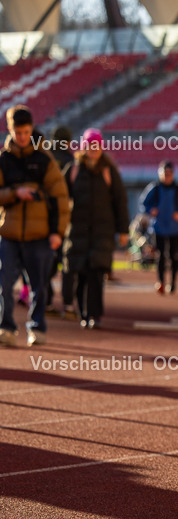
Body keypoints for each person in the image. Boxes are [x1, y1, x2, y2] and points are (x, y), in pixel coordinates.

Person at [0, 105, 70, 347]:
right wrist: (14, 193)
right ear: (11, 130)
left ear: (31, 130)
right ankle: (6, 327)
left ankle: (37, 328)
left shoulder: (44, 160)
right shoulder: (3, 159)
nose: (22, 137)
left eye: (26, 132)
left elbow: (60, 198)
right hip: (9, 233)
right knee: (4, 282)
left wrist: (57, 232)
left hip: (39, 235)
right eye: (18, 132)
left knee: (38, 285)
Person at [62, 128, 129, 329]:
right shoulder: (73, 170)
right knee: (80, 274)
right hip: (78, 231)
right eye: (90, 145)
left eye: (97, 146)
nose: (93, 149)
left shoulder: (109, 171)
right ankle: (83, 313)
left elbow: (120, 201)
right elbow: (60, 197)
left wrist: (123, 230)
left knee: (96, 274)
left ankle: (95, 315)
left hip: (102, 231)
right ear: (84, 147)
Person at [140, 160, 178, 294]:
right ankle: (161, 282)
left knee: (173, 256)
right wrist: (150, 210)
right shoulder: (155, 188)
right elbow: (143, 203)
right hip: (158, 227)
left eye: (169, 173)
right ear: (160, 173)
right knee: (160, 256)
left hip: (174, 228)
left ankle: (173, 282)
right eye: (164, 173)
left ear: (173, 174)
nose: (166, 176)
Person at [49, 126, 74, 315]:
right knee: (67, 263)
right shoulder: (71, 161)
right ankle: (67, 303)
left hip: (46, 217)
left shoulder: (46, 158)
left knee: (45, 262)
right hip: (66, 218)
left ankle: (46, 300)